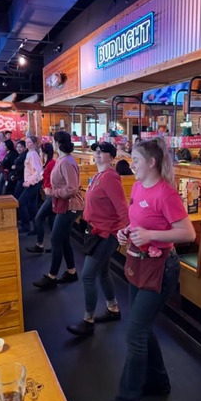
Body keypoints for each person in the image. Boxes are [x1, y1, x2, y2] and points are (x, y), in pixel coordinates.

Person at [98, 137, 195, 401]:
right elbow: (138, 220)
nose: (131, 164)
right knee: (142, 326)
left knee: (135, 332)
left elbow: (188, 233)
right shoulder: (139, 186)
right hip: (138, 262)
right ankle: (159, 382)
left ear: (151, 163)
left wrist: (151, 235)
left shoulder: (166, 193)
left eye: (136, 160)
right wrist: (125, 231)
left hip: (162, 267)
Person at [67, 141, 128, 336]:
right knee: (102, 272)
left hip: (107, 233)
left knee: (87, 275)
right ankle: (113, 309)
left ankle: (88, 320)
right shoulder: (99, 176)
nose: (98, 154)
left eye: (103, 152)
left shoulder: (110, 177)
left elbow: (122, 208)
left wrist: (129, 232)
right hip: (96, 231)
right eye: (97, 151)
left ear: (111, 156)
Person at [33, 131, 84, 289]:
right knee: (63, 239)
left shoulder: (66, 162)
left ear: (57, 143)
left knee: (56, 239)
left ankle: (52, 276)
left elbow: (72, 188)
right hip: (64, 205)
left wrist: (52, 192)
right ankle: (71, 271)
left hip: (71, 206)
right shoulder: (62, 160)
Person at [25, 142, 56, 253]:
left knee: (39, 218)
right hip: (49, 194)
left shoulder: (51, 163)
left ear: (43, 152)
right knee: (51, 221)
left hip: (51, 196)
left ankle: (40, 244)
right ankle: (54, 246)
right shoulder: (49, 163)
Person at [17, 136, 43, 233]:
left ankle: (26, 225)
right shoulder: (30, 153)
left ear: (35, 144)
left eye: (30, 142)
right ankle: (36, 228)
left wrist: (28, 182)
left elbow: (38, 171)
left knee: (21, 203)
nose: (27, 144)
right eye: (26, 142)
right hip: (32, 183)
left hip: (33, 184)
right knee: (32, 206)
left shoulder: (33, 154)